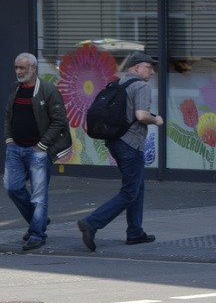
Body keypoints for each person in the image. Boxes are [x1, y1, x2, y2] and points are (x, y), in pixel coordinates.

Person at [77, 51, 164, 252]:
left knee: (137, 187)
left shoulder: (119, 84)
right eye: (148, 67)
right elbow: (141, 115)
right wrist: (156, 119)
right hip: (131, 144)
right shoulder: (141, 86)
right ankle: (92, 223)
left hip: (116, 142)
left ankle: (135, 232)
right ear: (136, 68)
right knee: (129, 192)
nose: (152, 72)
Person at [5, 52, 70, 252]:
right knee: (12, 187)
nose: (18, 71)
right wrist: (8, 139)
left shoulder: (48, 90)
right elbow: (8, 115)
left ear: (33, 68)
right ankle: (39, 220)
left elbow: (60, 121)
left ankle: (37, 233)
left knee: (39, 195)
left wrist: (42, 145)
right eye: (16, 67)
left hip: (38, 151)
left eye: (22, 68)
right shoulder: (15, 88)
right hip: (15, 148)